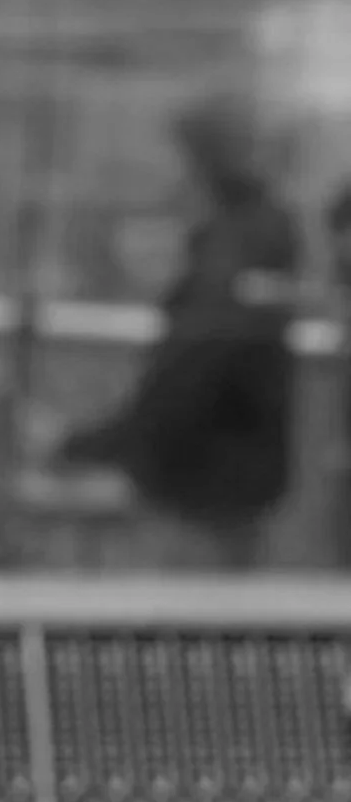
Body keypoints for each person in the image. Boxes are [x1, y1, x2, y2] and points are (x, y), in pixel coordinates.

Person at [54, 92, 300, 570]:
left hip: (205, 479)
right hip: (223, 476)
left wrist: (100, 442)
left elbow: (194, 366)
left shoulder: (239, 242)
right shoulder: (251, 231)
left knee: (194, 596)